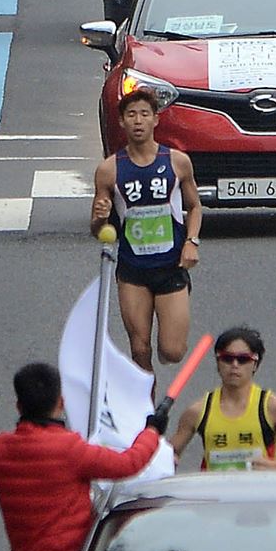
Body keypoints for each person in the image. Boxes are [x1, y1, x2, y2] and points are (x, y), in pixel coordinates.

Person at [0, 363, 165, 551]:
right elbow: (129, 463)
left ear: (18, 406)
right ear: (61, 402)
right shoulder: (70, 449)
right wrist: (152, 431)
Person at [91, 86, 202, 372]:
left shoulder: (177, 162)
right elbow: (98, 227)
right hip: (132, 271)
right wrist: (100, 219)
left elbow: (195, 207)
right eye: (131, 115)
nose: (138, 121)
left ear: (156, 120)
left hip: (170, 266)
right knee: (140, 350)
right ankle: (146, 414)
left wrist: (192, 242)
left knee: (172, 350)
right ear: (121, 122)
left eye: (144, 114)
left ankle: (167, 347)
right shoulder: (109, 170)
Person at [171, 324, 276, 471]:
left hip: (259, 491)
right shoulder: (198, 411)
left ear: (255, 364)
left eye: (243, 359)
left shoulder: (272, 406)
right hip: (214, 492)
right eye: (227, 358)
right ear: (218, 363)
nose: (235, 365)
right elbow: (169, 453)